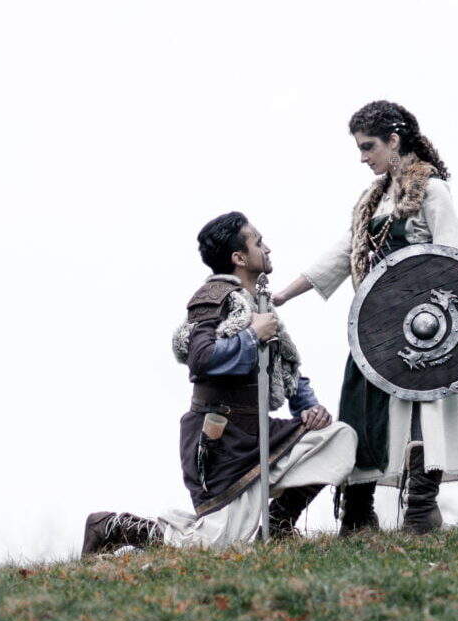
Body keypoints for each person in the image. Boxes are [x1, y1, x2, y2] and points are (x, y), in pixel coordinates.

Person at [81, 213, 358, 554]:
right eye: (258, 243)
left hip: (259, 432)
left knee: (339, 438)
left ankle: (281, 523)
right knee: (216, 545)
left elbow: (283, 364)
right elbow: (202, 359)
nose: (267, 248)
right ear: (239, 258)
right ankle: (111, 527)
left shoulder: (258, 300)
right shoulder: (213, 297)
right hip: (221, 439)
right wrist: (253, 336)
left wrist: (309, 408)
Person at [274, 100, 458, 535]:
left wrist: (431, 321)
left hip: (423, 332)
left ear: (394, 141)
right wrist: (286, 293)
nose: (363, 158)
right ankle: (359, 515)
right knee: (362, 414)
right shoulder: (372, 201)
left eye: (368, 147)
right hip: (374, 331)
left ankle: (421, 511)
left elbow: (453, 260)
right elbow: (344, 253)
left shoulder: (431, 191)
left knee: (422, 416)